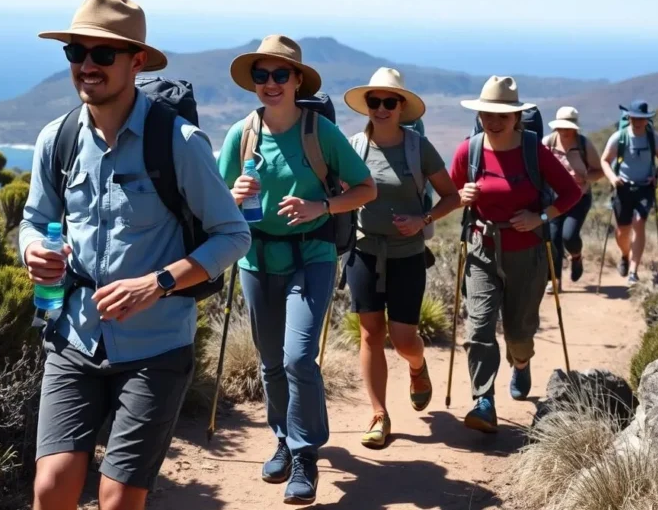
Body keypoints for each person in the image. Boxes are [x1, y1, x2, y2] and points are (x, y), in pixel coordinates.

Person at [21, 0, 251, 510]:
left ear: (136, 60)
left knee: (119, 498)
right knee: (50, 488)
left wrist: (159, 282)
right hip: (73, 338)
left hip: (156, 349)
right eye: (76, 53)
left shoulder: (179, 142)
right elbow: (34, 219)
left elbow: (234, 234)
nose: (87, 65)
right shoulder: (55, 139)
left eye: (103, 55)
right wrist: (34, 248)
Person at [217, 35, 376, 505]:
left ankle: (306, 455)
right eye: (262, 75)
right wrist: (234, 196)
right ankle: (283, 439)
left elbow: (365, 189)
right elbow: (213, 203)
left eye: (280, 75)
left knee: (297, 358)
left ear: (297, 80)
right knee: (270, 363)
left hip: (313, 257)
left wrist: (319, 206)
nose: (270, 83)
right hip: (258, 260)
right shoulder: (240, 134)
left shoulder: (319, 132)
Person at [449, 76, 582, 432]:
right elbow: (450, 194)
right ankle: (484, 400)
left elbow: (571, 193)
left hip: (527, 252)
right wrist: (462, 197)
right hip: (482, 248)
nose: (493, 122)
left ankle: (520, 363)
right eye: (486, 114)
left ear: (516, 118)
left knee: (520, 331)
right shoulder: (469, 150)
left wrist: (540, 217)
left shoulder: (532, 151)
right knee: (478, 327)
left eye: (502, 116)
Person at [340, 67, 461, 448]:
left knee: (404, 337)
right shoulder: (353, 146)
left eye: (389, 101)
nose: (381, 108)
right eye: (374, 101)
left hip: (408, 255)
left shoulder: (417, 147)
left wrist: (422, 219)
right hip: (364, 251)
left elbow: (451, 196)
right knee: (371, 333)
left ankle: (416, 365)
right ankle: (379, 414)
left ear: (401, 106)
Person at [600, 99, 658, 285]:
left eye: (641, 118)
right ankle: (625, 255)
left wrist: (656, 176)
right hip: (623, 188)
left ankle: (633, 271)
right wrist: (612, 178)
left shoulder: (653, 138)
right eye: (634, 118)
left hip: (644, 188)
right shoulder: (619, 137)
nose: (637, 122)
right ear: (629, 117)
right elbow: (605, 160)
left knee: (639, 223)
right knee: (622, 230)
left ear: (647, 120)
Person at [542, 106, 604, 293]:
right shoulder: (548, 143)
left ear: (575, 127)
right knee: (553, 238)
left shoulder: (584, 145)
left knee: (569, 236)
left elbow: (599, 170)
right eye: (561, 127)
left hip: (579, 197)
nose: (564, 131)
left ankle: (576, 256)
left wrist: (585, 177)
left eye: (567, 127)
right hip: (554, 198)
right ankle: (554, 280)